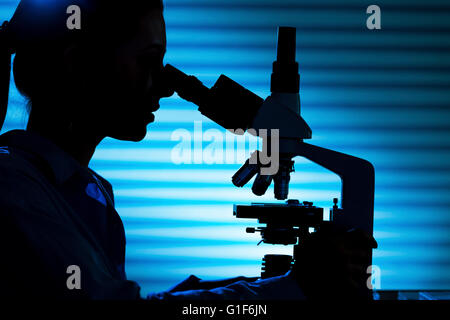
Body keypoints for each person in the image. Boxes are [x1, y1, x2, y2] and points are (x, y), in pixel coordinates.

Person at [0, 0, 374, 300]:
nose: (164, 85)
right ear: (78, 65)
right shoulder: (17, 193)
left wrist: (223, 292)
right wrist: (295, 286)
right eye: (149, 61)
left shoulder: (80, 191)